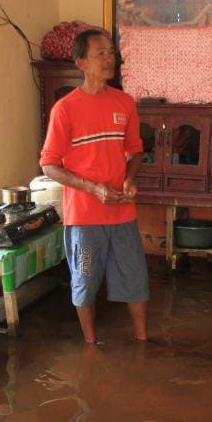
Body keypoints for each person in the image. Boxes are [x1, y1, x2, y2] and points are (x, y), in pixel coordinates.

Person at [40, 29, 149, 344]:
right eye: (100, 53)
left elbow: (136, 151)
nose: (108, 58)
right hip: (85, 216)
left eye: (111, 52)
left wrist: (129, 179)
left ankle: (143, 340)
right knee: (85, 281)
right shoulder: (65, 109)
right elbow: (49, 164)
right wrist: (94, 188)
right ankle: (89, 344)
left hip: (122, 211)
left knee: (136, 278)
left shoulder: (124, 102)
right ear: (81, 63)